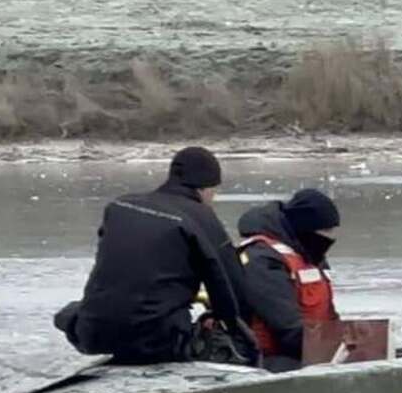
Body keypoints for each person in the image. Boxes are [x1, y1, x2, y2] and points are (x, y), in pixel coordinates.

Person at [54, 146, 258, 365]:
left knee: (78, 311)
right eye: (214, 192)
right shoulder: (200, 217)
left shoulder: (119, 206)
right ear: (205, 187)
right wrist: (239, 331)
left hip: (93, 332)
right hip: (159, 341)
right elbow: (227, 284)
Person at [235, 188, 341, 370]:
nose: (330, 237)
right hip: (268, 360)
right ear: (305, 228)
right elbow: (287, 328)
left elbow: (329, 316)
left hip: (314, 349)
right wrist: (335, 349)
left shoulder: (311, 254)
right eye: (325, 230)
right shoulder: (262, 259)